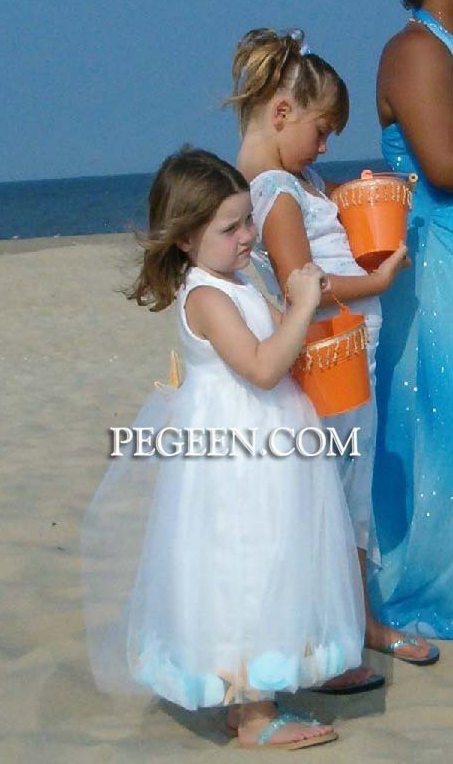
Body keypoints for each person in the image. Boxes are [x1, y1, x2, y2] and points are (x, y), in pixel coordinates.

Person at [82, 146, 366, 750]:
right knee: (243, 566)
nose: (247, 236)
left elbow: (281, 337)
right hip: (237, 458)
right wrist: (304, 305)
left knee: (273, 560)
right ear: (186, 239)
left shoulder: (237, 281)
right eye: (230, 227)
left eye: (247, 220)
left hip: (273, 448)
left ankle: (253, 697)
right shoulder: (205, 297)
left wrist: (301, 303)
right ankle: (255, 715)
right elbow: (263, 367)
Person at [225, 27, 436, 677]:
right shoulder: (273, 191)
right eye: (320, 131)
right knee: (331, 497)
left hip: (351, 355)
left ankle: (359, 621)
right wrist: (373, 282)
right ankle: (332, 641)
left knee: (354, 496)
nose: (324, 146)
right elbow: (301, 283)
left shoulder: (300, 176)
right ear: (281, 114)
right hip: (326, 360)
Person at [371, 0, 453, 641]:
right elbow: (442, 165)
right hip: (433, 262)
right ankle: (425, 583)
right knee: (434, 416)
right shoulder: (416, 50)